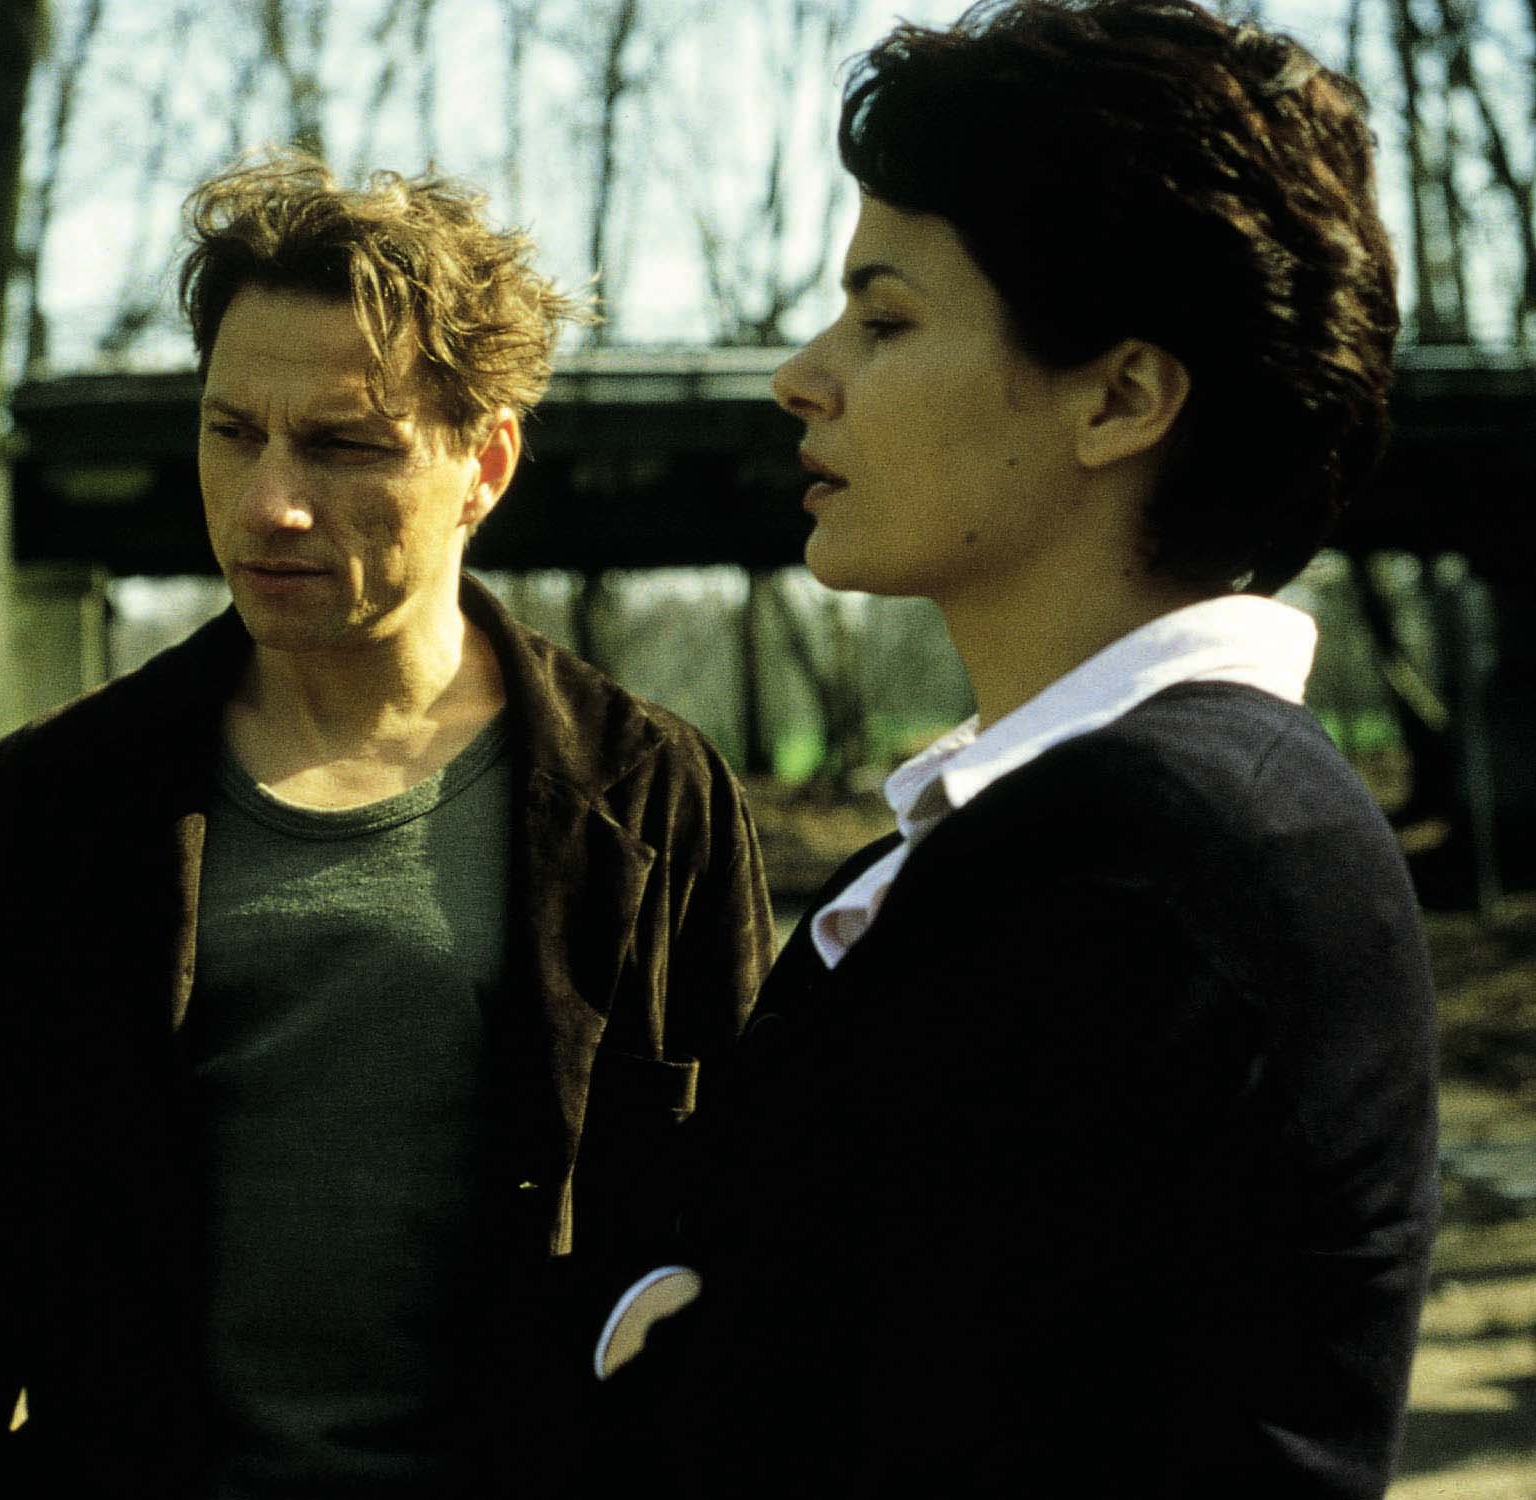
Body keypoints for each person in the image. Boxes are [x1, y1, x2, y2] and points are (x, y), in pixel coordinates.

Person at [0, 151, 773, 1499]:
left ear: (485, 464)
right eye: (232, 432)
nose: (272, 502)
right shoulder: (52, 808)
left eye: (344, 443)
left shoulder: (654, 801)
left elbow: (752, 1273)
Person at [614, 1, 1439, 1494]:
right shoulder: (1063, 828)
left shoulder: (1163, 858)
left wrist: (667, 1346)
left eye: (884, 320)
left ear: (1119, 397)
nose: (802, 374)